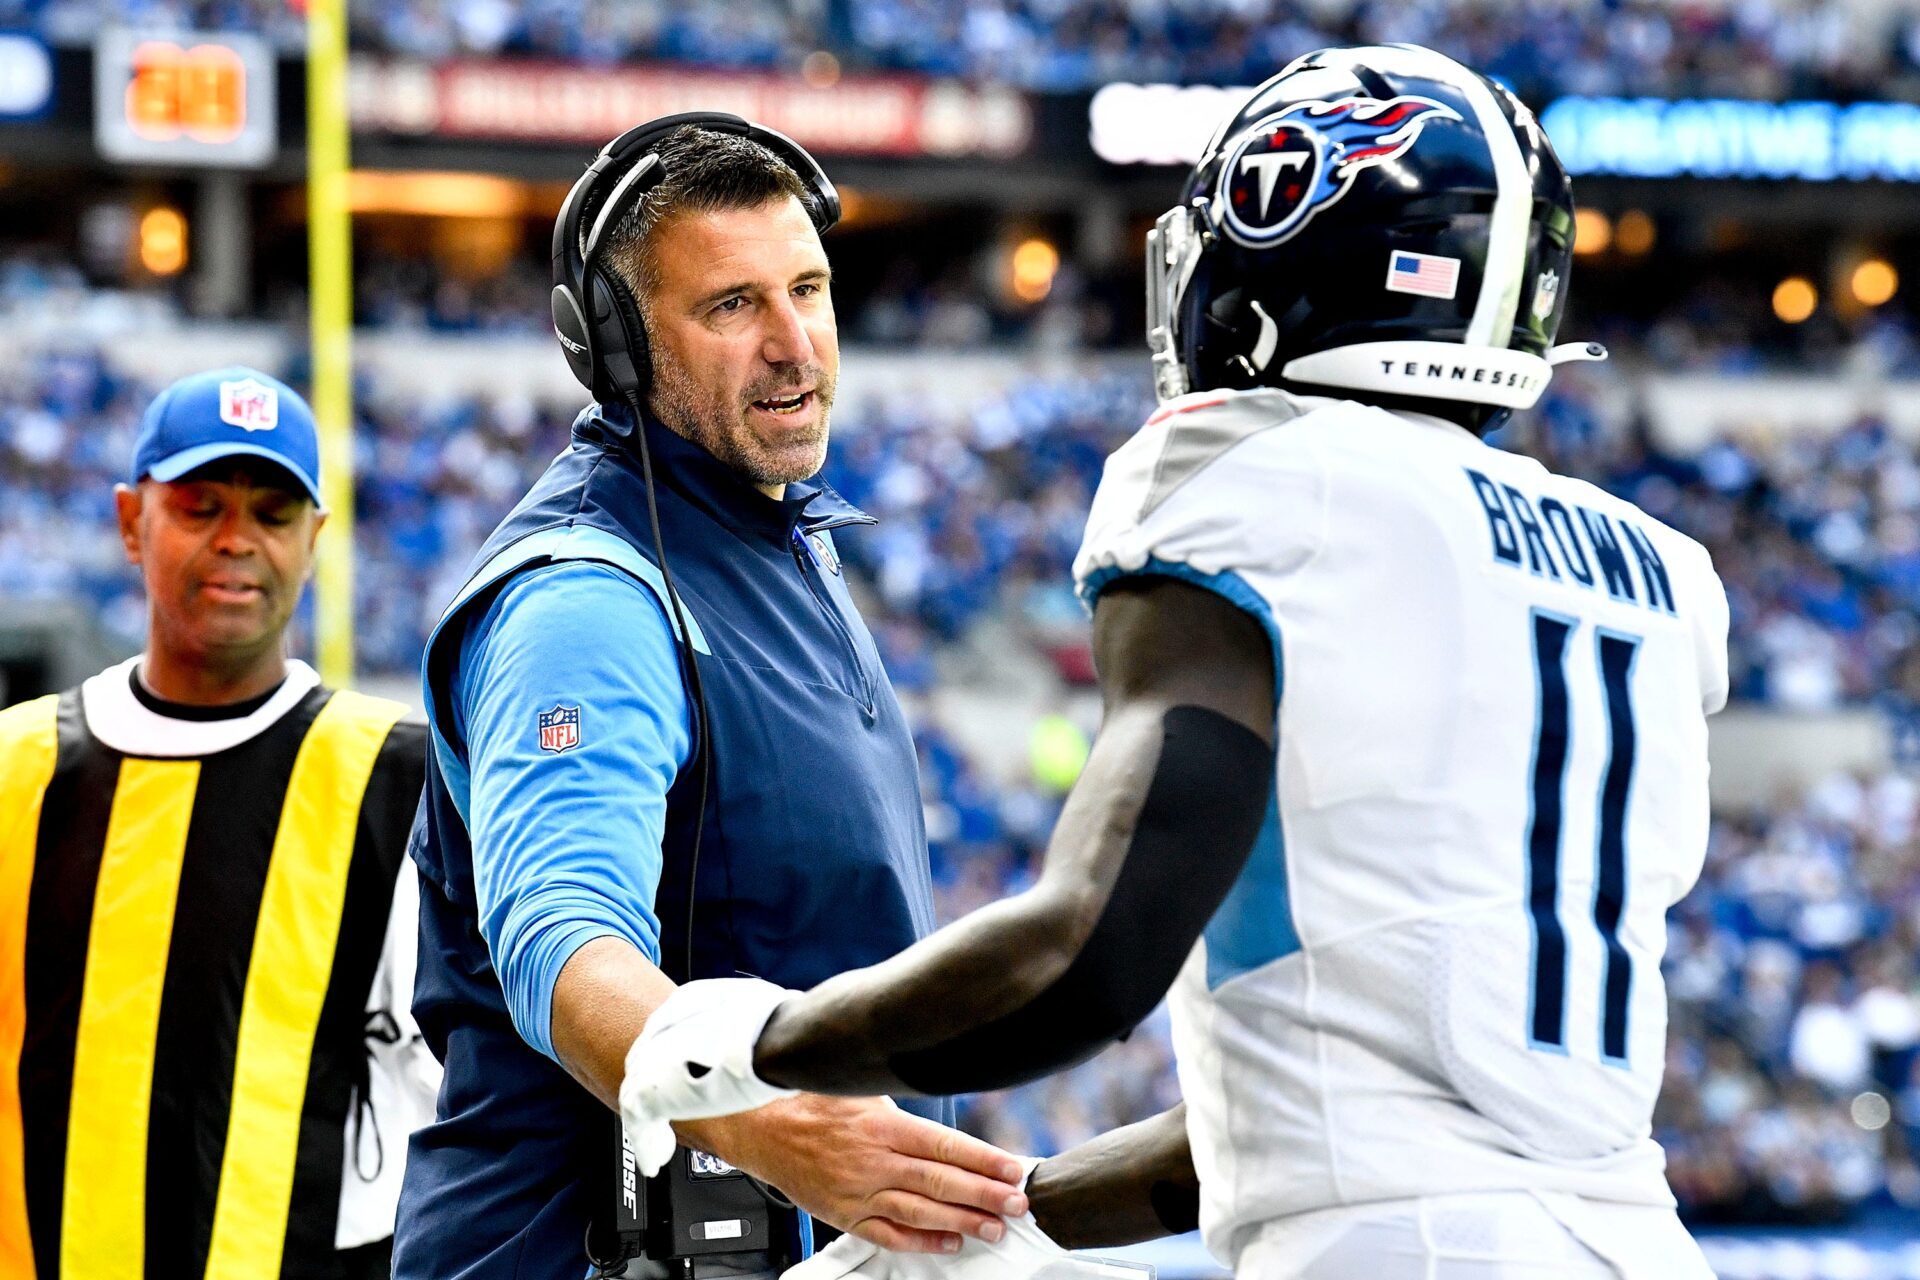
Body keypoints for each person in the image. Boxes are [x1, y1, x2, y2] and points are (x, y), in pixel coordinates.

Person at [621, 46, 1730, 1280]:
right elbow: (1311, 1120)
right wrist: (1010, 1214)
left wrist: (760, 1040)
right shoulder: (1658, 569)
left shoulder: (1262, 476)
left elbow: (1083, 958)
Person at [393, 116, 1027, 1280]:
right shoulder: (586, 596)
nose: (797, 345)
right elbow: (561, 934)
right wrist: (761, 1119)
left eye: (809, 288)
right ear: (621, 348)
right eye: (733, 305)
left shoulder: (780, 538)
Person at [0, 367, 437, 1280]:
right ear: (131, 521)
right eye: (201, 506)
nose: (238, 541)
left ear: (315, 539)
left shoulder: (398, 776)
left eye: (274, 515)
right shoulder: (16, 769)